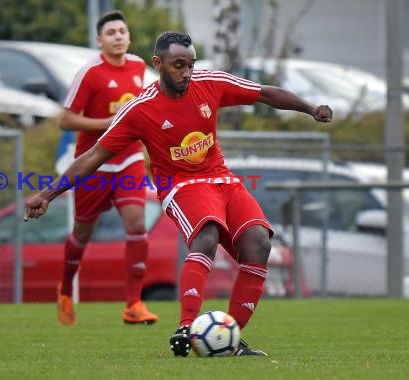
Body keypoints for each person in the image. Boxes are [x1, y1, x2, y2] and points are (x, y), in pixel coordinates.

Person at [24, 31, 332, 355]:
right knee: (207, 235)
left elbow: (265, 94)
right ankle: (186, 327)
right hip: (180, 186)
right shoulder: (139, 110)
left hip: (221, 179)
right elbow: (92, 156)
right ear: (158, 64)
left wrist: (310, 109)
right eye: (178, 65)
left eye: (191, 65)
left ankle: (228, 339)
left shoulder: (209, 83)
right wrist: (47, 194)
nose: (186, 73)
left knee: (259, 244)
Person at [55, 10, 158, 326]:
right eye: (111, 32)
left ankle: (134, 304)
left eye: (122, 31)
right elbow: (65, 119)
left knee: (137, 223)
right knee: (82, 233)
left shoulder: (140, 66)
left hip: (128, 158)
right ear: (99, 40)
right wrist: (107, 124)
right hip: (93, 162)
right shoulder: (91, 73)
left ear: (129, 36)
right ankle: (65, 288)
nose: (118, 36)